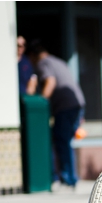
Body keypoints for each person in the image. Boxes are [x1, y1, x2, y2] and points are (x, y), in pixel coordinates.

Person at [26, 39, 85, 189]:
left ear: (33, 55)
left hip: (65, 107)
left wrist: (41, 104)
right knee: (64, 141)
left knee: (61, 142)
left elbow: (50, 82)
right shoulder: (58, 61)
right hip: (77, 103)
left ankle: (68, 179)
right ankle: (69, 178)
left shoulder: (43, 63)